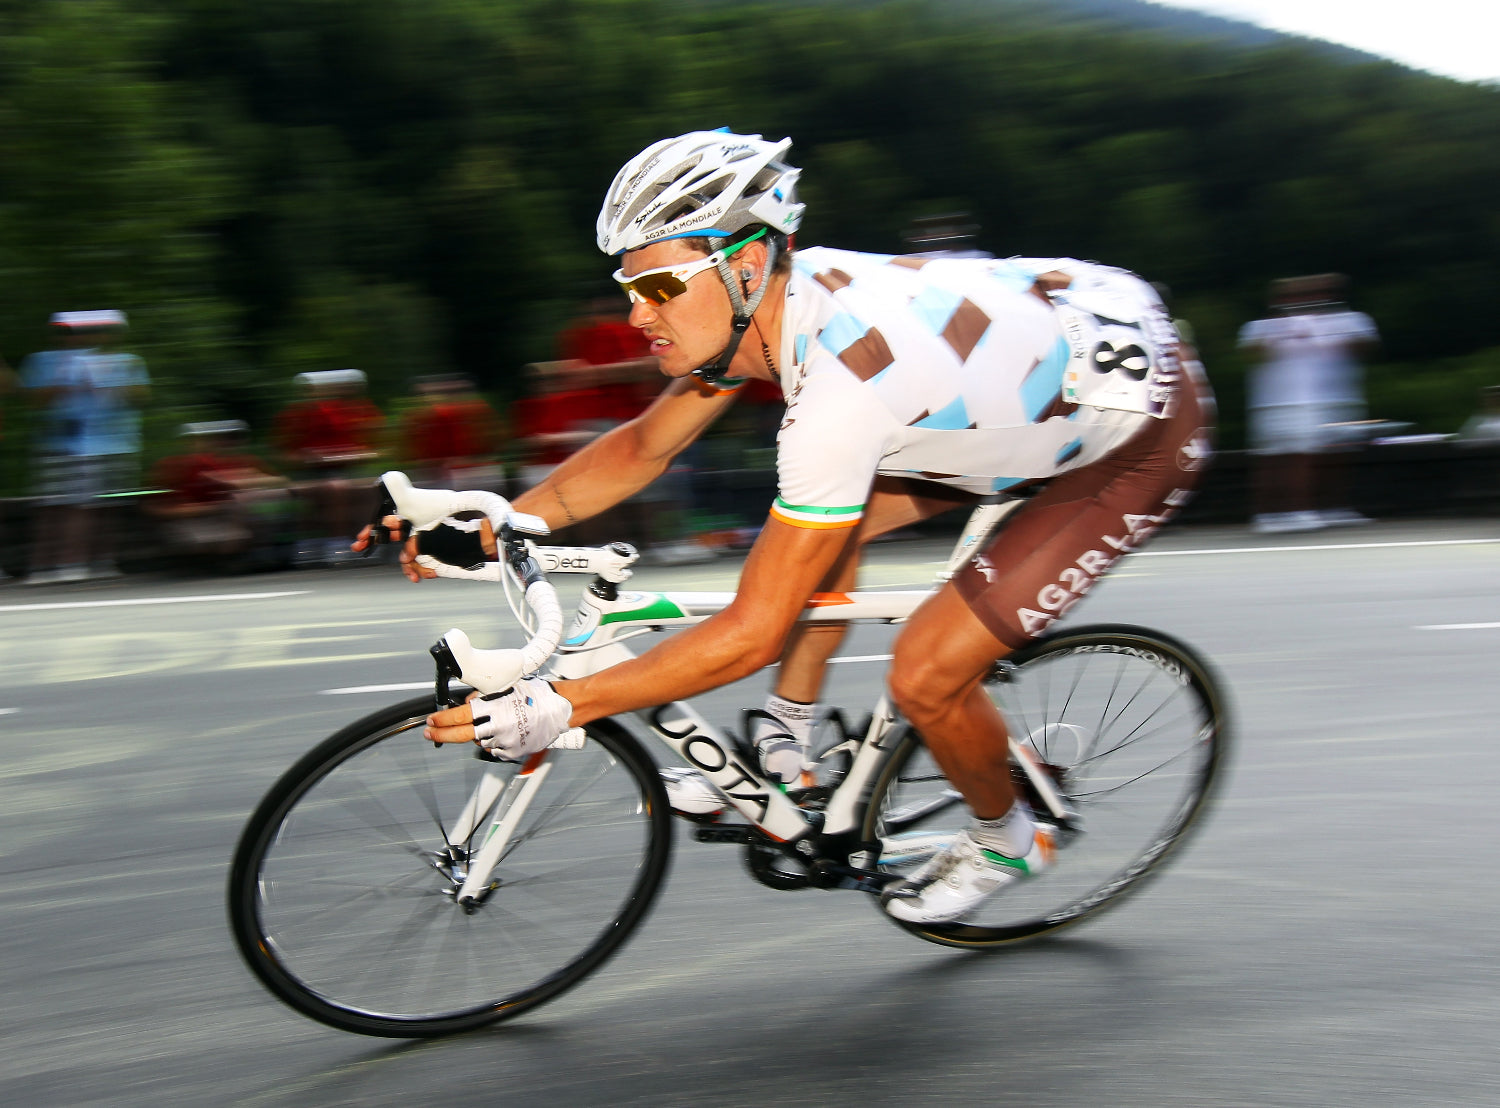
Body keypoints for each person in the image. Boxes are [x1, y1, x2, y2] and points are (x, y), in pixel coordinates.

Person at [357, 130, 1214, 924]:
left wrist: (560, 705)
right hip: (1017, 367)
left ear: (750, 261)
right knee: (812, 536)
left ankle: (1010, 834)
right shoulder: (764, 308)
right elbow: (647, 444)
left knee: (925, 671)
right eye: (628, 287)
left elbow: (753, 633)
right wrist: (488, 526)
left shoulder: (838, 390)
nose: (635, 316)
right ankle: (788, 749)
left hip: (1131, 435)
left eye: (658, 288)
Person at [1239, 274, 1379, 533]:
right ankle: (1276, 513)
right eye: (1296, 294)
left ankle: (1333, 508)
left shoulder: (1348, 320)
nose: (1307, 298)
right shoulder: (1261, 326)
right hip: (1280, 402)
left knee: (1337, 457)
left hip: (1335, 399)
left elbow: (1365, 345)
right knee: (1285, 459)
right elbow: (1252, 352)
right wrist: (1283, 330)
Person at [20, 310, 150, 583]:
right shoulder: (44, 361)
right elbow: (33, 399)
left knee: (107, 506)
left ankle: (102, 562)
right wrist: (67, 379)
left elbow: (142, 396)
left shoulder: (126, 361)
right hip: (62, 443)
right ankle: (51, 566)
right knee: (57, 507)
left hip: (115, 442)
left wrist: (110, 380)